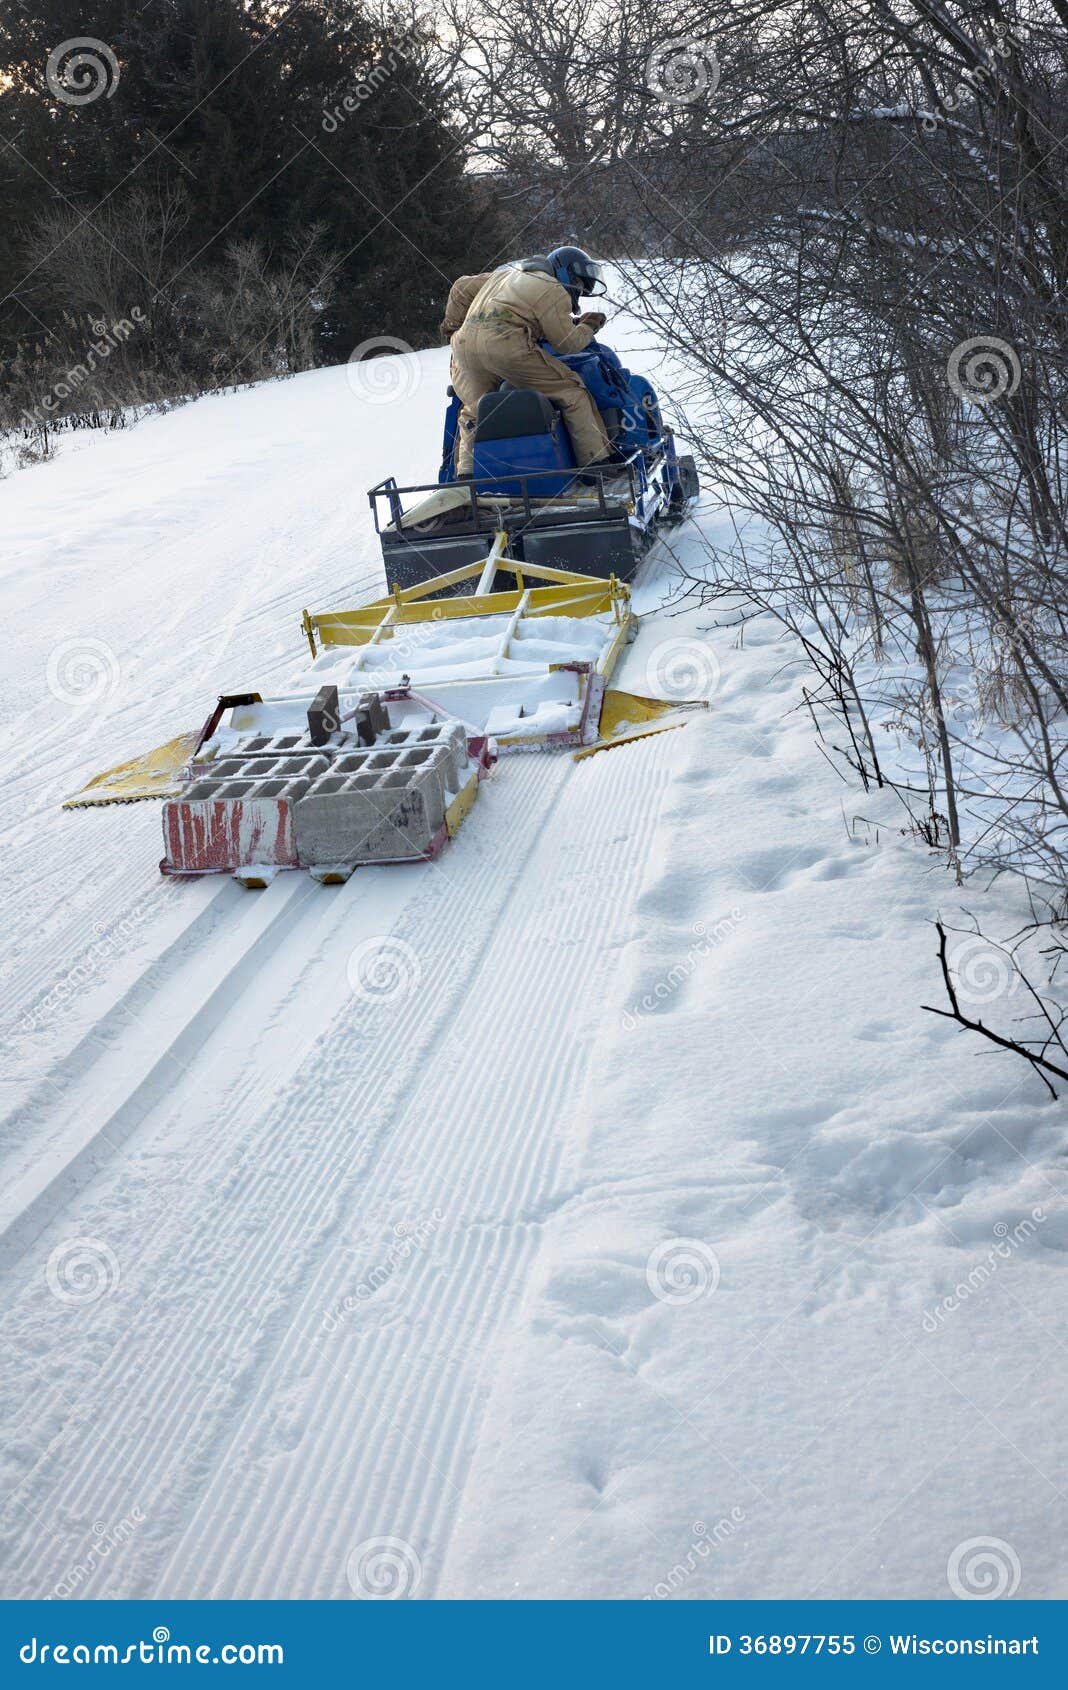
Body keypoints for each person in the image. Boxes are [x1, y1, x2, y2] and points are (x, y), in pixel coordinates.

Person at [440, 247, 616, 475]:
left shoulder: (506, 274)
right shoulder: (553, 289)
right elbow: (567, 344)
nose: (578, 290)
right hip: (505, 346)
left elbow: (461, 286)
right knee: (572, 393)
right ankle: (596, 467)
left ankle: (467, 477)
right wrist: (588, 325)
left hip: (463, 347)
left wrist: (452, 324)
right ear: (566, 272)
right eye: (579, 284)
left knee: (475, 410)